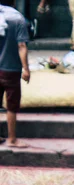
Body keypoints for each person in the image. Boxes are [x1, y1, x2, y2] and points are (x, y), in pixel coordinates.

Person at [0, 0, 30, 148]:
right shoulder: (18, 18)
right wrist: (26, 68)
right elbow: (21, 45)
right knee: (11, 105)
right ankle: (11, 139)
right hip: (10, 69)